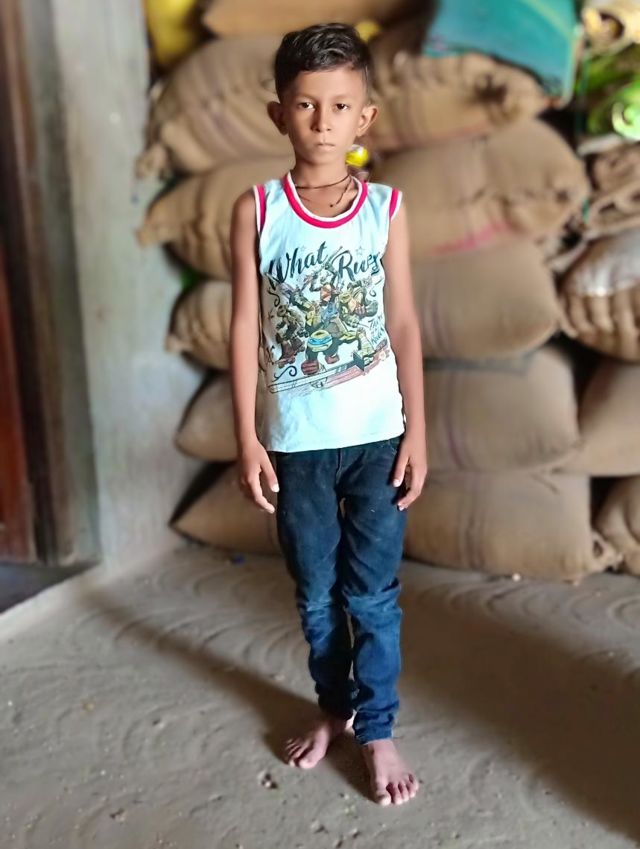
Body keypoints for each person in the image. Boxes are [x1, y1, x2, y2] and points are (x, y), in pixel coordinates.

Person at [229, 22, 427, 807]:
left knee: (372, 595)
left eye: (340, 105)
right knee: (316, 594)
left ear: (364, 117)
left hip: (378, 439)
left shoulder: (385, 207)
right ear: (278, 114)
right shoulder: (256, 209)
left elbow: (404, 323)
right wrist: (246, 435)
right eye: (306, 104)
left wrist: (418, 431)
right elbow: (243, 325)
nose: (322, 121)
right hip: (297, 445)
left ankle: (375, 728)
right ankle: (333, 707)